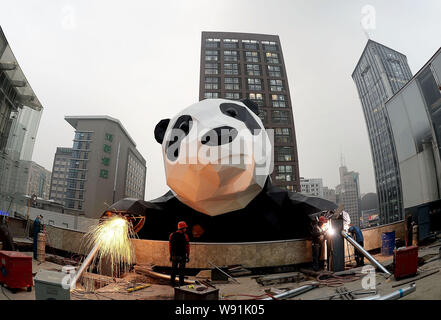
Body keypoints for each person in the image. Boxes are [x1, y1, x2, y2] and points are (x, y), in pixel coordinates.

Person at [169, 221, 190, 287]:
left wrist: (171, 255)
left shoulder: (172, 235)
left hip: (174, 256)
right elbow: (187, 247)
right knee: (182, 271)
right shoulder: (185, 236)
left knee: (173, 270)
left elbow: (170, 246)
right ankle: (181, 284)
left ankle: (172, 283)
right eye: (185, 228)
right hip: (182, 256)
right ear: (182, 228)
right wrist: (188, 256)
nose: (186, 229)